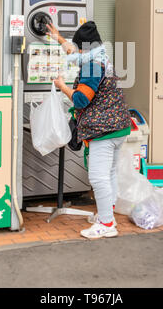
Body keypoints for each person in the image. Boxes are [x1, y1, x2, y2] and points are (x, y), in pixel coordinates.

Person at [47, 21, 131, 239]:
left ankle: (106, 224)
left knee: (98, 177)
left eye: (79, 47)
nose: (78, 51)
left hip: (103, 129)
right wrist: (59, 38)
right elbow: (75, 53)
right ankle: (107, 213)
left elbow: (81, 99)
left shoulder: (92, 66)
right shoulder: (101, 58)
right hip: (118, 126)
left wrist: (62, 86)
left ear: (86, 47)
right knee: (109, 173)